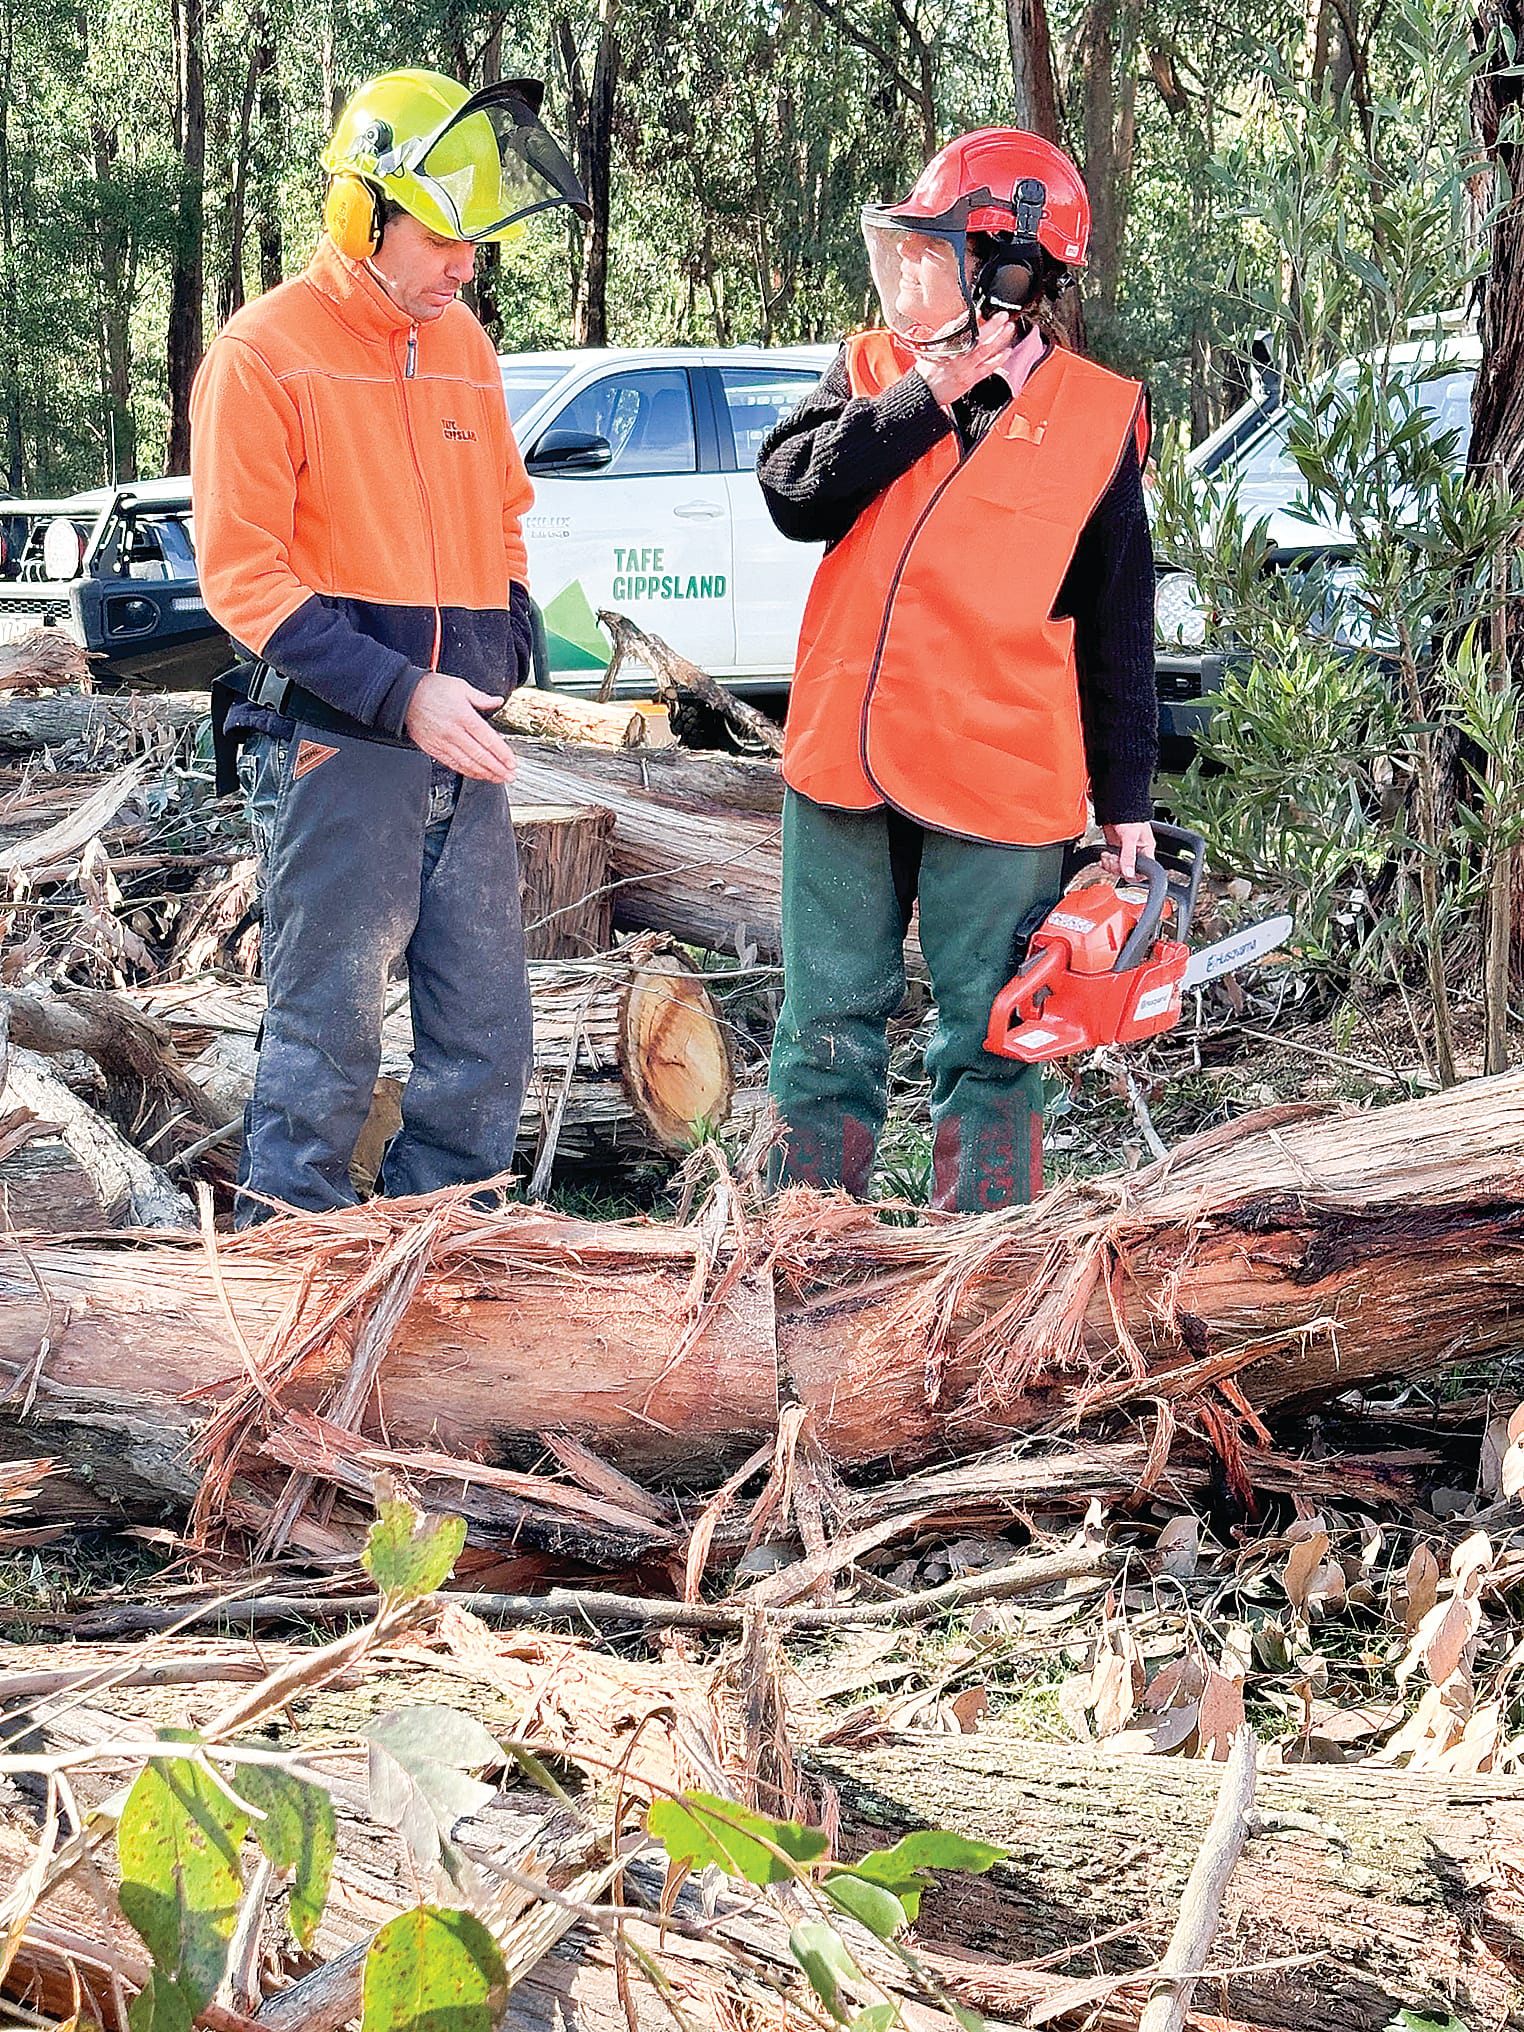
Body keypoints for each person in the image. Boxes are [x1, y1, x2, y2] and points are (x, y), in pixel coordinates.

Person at [190, 69, 589, 1225]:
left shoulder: (459, 341)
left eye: (474, 244)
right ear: (362, 214)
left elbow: (506, 508)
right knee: (326, 1038)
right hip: (336, 743)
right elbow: (242, 575)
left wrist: (507, 634)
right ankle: (290, 1263)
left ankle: (435, 1248)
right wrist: (401, 693)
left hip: (459, 745)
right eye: (444, 240)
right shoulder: (264, 354)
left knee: (485, 1036)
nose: (465, 267)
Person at [759, 129, 1157, 1213]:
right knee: (824, 1024)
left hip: (1001, 773)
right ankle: (801, 1254)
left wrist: (1126, 804)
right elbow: (795, 495)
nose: (907, 278)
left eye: (933, 254)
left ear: (1007, 271)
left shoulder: (1096, 416)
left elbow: (1118, 620)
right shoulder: (872, 367)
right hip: (846, 754)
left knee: (995, 1035)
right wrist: (923, 396)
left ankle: (982, 1279)